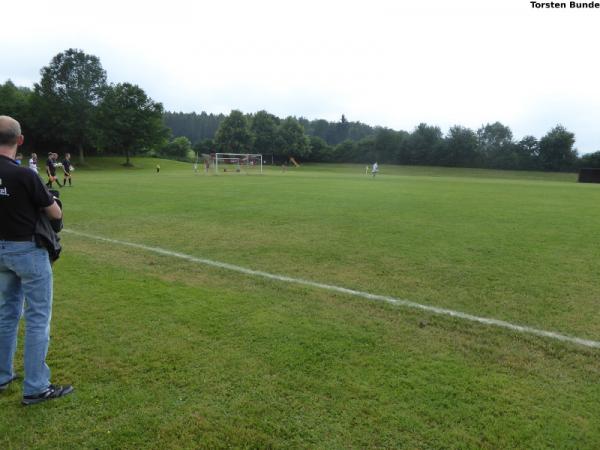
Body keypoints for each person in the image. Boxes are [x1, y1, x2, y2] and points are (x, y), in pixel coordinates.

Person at [0, 115, 73, 405]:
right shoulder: (25, 175)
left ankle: (3, 375)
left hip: (1, 251)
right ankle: (36, 386)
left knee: (6, 313)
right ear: (19, 141)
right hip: (28, 251)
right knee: (38, 317)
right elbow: (54, 213)